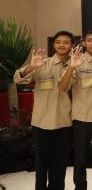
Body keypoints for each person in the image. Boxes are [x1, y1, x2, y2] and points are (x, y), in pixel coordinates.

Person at [14, 30, 74, 190]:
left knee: (60, 162)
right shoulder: (41, 62)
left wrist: (72, 67)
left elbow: (64, 87)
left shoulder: (75, 64)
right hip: (42, 121)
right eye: (59, 42)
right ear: (54, 45)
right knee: (41, 162)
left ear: (71, 45)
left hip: (63, 121)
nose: (62, 45)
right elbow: (17, 78)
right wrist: (30, 67)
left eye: (66, 42)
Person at [59, 30, 92, 190]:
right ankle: (80, 186)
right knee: (80, 156)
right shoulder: (76, 61)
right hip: (82, 116)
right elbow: (63, 87)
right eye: (89, 40)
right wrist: (71, 67)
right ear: (83, 43)